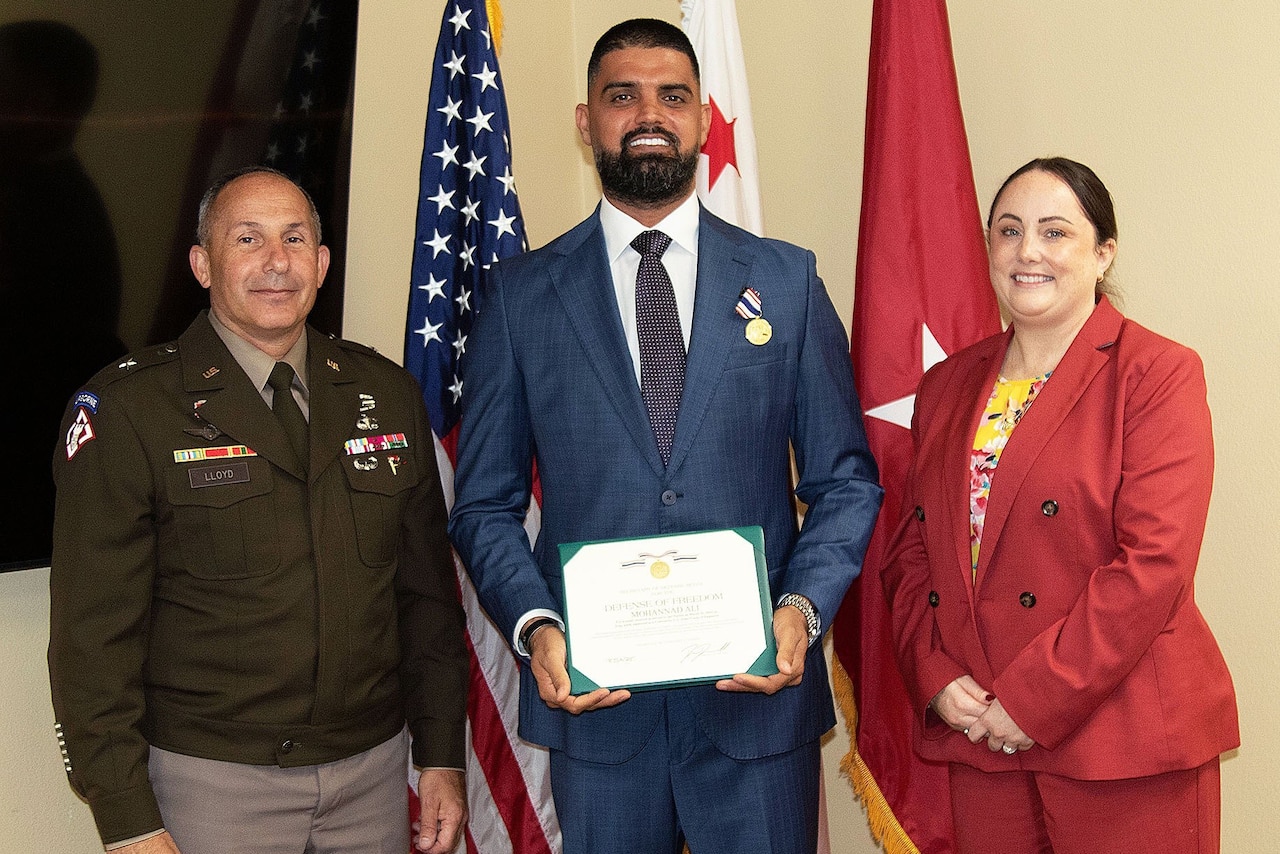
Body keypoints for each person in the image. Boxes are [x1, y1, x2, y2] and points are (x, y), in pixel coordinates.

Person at [448, 18, 882, 854]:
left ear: (703, 120)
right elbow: (484, 506)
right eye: (624, 96)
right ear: (587, 123)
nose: (649, 113)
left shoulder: (786, 280)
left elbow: (845, 482)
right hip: (600, 714)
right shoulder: (522, 296)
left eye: (673, 96)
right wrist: (536, 627)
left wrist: (800, 609)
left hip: (757, 709)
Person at [48, 166, 468, 854]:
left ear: (321, 263)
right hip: (211, 785)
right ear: (202, 264)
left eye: (294, 239)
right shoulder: (130, 411)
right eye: (248, 239)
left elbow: (427, 602)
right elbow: (91, 643)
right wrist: (128, 821)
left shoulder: (386, 393)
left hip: (371, 777)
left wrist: (443, 754)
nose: (277, 262)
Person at [882, 157, 1239, 853]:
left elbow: (1154, 564)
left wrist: (1034, 700)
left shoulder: (1156, 372)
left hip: (1123, 739)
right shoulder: (946, 386)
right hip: (982, 733)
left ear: (1104, 253)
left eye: (1055, 232)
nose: (1028, 252)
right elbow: (913, 550)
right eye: (1009, 231)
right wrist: (935, 674)